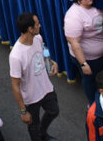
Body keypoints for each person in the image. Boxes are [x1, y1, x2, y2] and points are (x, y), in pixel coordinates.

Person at [9, 11, 59, 141]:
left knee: (54, 111)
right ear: (30, 29)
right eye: (37, 24)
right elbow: (15, 85)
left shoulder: (37, 38)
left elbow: (41, 56)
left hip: (46, 88)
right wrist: (23, 111)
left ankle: (43, 133)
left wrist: (52, 63)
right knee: (33, 126)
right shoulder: (16, 56)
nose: (40, 26)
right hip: (30, 99)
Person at [64, 0, 103, 103]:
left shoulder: (97, 4)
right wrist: (83, 64)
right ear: (79, 0)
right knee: (90, 80)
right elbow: (74, 43)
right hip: (89, 58)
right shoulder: (73, 16)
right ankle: (92, 103)